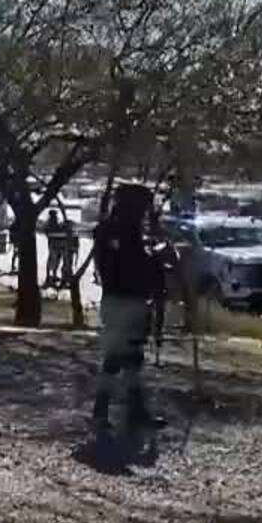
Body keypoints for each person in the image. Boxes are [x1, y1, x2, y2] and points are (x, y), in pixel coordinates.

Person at [93, 182, 169, 430]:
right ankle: (104, 412)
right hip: (122, 301)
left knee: (131, 359)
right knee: (117, 359)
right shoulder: (118, 231)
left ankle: (132, 411)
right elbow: (130, 265)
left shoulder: (121, 230)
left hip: (129, 301)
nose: (146, 213)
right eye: (144, 207)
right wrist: (157, 258)